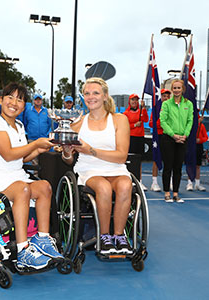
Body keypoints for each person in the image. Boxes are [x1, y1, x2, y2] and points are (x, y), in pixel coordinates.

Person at [0, 82, 63, 269]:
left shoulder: (18, 125)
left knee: (44, 187)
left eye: (20, 99)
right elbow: (8, 154)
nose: (14, 102)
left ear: (24, 105)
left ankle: (42, 239)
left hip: (17, 175)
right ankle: (23, 249)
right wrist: (35, 144)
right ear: (1, 100)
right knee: (23, 190)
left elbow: (21, 157)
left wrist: (42, 148)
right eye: (10, 97)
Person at [61, 77, 133, 255]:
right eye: (86, 93)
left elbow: (121, 156)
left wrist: (90, 149)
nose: (90, 97)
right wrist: (67, 152)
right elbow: (68, 161)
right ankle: (104, 236)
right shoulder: (77, 124)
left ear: (105, 96)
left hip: (116, 169)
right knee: (103, 187)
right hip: (89, 171)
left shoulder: (119, 120)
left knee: (125, 185)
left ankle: (119, 236)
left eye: (95, 93)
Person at [159, 79, 193, 203]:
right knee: (168, 167)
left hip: (183, 140)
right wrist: (173, 135)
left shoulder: (188, 104)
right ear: (172, 90)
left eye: (179, 88)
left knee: (178, 168)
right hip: (168, 139)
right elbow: (163, 121)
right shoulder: (166, 104)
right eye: (175, 88)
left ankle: (176, 194)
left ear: (183, 89)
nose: (177, 90)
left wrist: (185, 135)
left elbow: (190, 121)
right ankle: (167, 193)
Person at [123, 93, 149, 191]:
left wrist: (144, 108)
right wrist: (134, 125)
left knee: (139, 161)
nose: (134, 102)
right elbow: (124, 126)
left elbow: (146, 119)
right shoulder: (126, 113)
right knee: (130, 160)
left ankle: (139, 181)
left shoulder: (141, 111)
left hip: (140, 138)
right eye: (133, 100)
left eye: (136, 100)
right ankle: (129, 180)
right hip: (130, 138)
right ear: (129, 101)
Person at [148, 89, 171, 192]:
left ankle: (169, 181)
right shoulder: (156, 109)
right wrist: (162, 123)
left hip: (169, 136)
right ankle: (154, 182)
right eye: (164, 96)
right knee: (156, 159)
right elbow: (151, 124)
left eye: (167, 96)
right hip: (158, 137)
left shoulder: (172, 108)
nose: (166, 98)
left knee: (169, 160)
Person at [186, 113, 208, 191]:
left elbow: (205, 137)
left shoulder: (201, 126)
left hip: (198, 146)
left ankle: (197, 184)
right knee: (190, 164)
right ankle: (189, 183)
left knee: (197, 165)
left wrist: (200, 139)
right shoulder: (188, 124)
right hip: (190, 146)